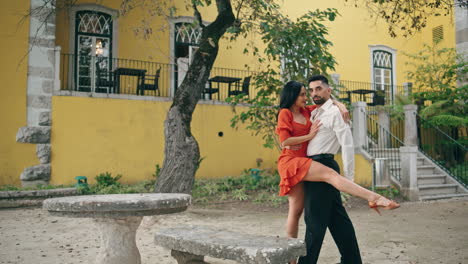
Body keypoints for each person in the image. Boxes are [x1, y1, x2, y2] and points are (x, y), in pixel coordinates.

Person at [276, 79, 399, 264]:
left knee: (319, 218)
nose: (309, 95)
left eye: (313, 90)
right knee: (302, 212)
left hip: (314, 162)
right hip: (296, 162)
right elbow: (284, 141)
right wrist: (310, 135)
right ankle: (296, 259)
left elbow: (331, 111)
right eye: (305, 92)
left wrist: (340, 105)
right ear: (293, 96)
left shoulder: (315, 111)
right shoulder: (297, 112)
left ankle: (373, 201)